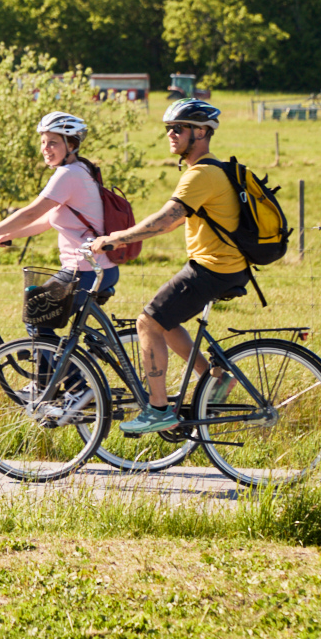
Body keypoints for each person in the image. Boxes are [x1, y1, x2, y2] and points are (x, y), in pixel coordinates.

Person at [86, 96, 245, 434]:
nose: (171, 134)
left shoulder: (201, 174)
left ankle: (159, 409)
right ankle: (216, 378)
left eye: (178, 128)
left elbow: (167, 220)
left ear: (200, 132)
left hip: (213, 267)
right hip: (223, 266)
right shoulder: (212, 169)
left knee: (147, 322)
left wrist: (118, 237)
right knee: (166, 321)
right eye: (168, 129)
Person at [0, 111, 118, 334]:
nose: (45, 148)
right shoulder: (78, 170)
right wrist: (7, 235)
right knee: (42, 318)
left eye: (53, 143)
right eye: (43, 142)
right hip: (92, 268)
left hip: (87, 270)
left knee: (36, 315)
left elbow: (31, 213)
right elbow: (48, 219)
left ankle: (59, 370)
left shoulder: (68, 174)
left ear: (72, 145)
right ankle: (63, 367)